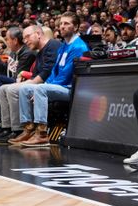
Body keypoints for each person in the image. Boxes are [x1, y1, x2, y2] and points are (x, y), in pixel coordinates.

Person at [15, 12, 88, 147]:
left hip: (71, 88)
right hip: (58, 86)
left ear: (76, 27)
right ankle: (29, 129)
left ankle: (42, 134)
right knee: (25, 88)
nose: (62, 26)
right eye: (61, 24)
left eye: (67, 23)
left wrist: (43, 87)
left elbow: (65, 76)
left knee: (40, 88)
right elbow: (54, 70)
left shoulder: (79, 47)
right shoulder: (63, 46)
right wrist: (47, 84)